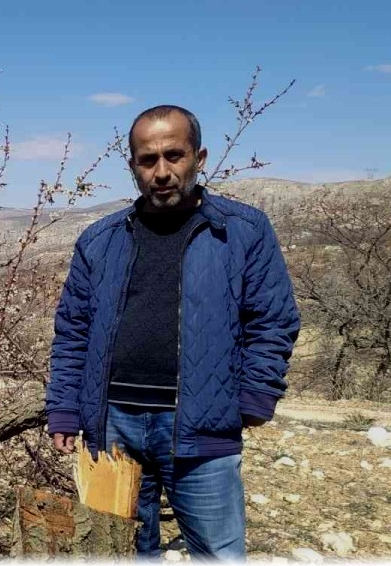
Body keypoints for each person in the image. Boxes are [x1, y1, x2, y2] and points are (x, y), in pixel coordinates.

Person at [45, 105, 299, 560]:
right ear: (133, 166)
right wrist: (64, 408)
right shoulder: (100, 240)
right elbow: (73, 331)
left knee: (217, 554)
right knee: (121, 552)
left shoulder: (243, 231)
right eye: (148, 160)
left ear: (198, 158)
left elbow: (272, 320)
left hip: (202, 428)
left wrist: (257, 396)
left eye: (174, 155)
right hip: (112, 428)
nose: (162, 171)